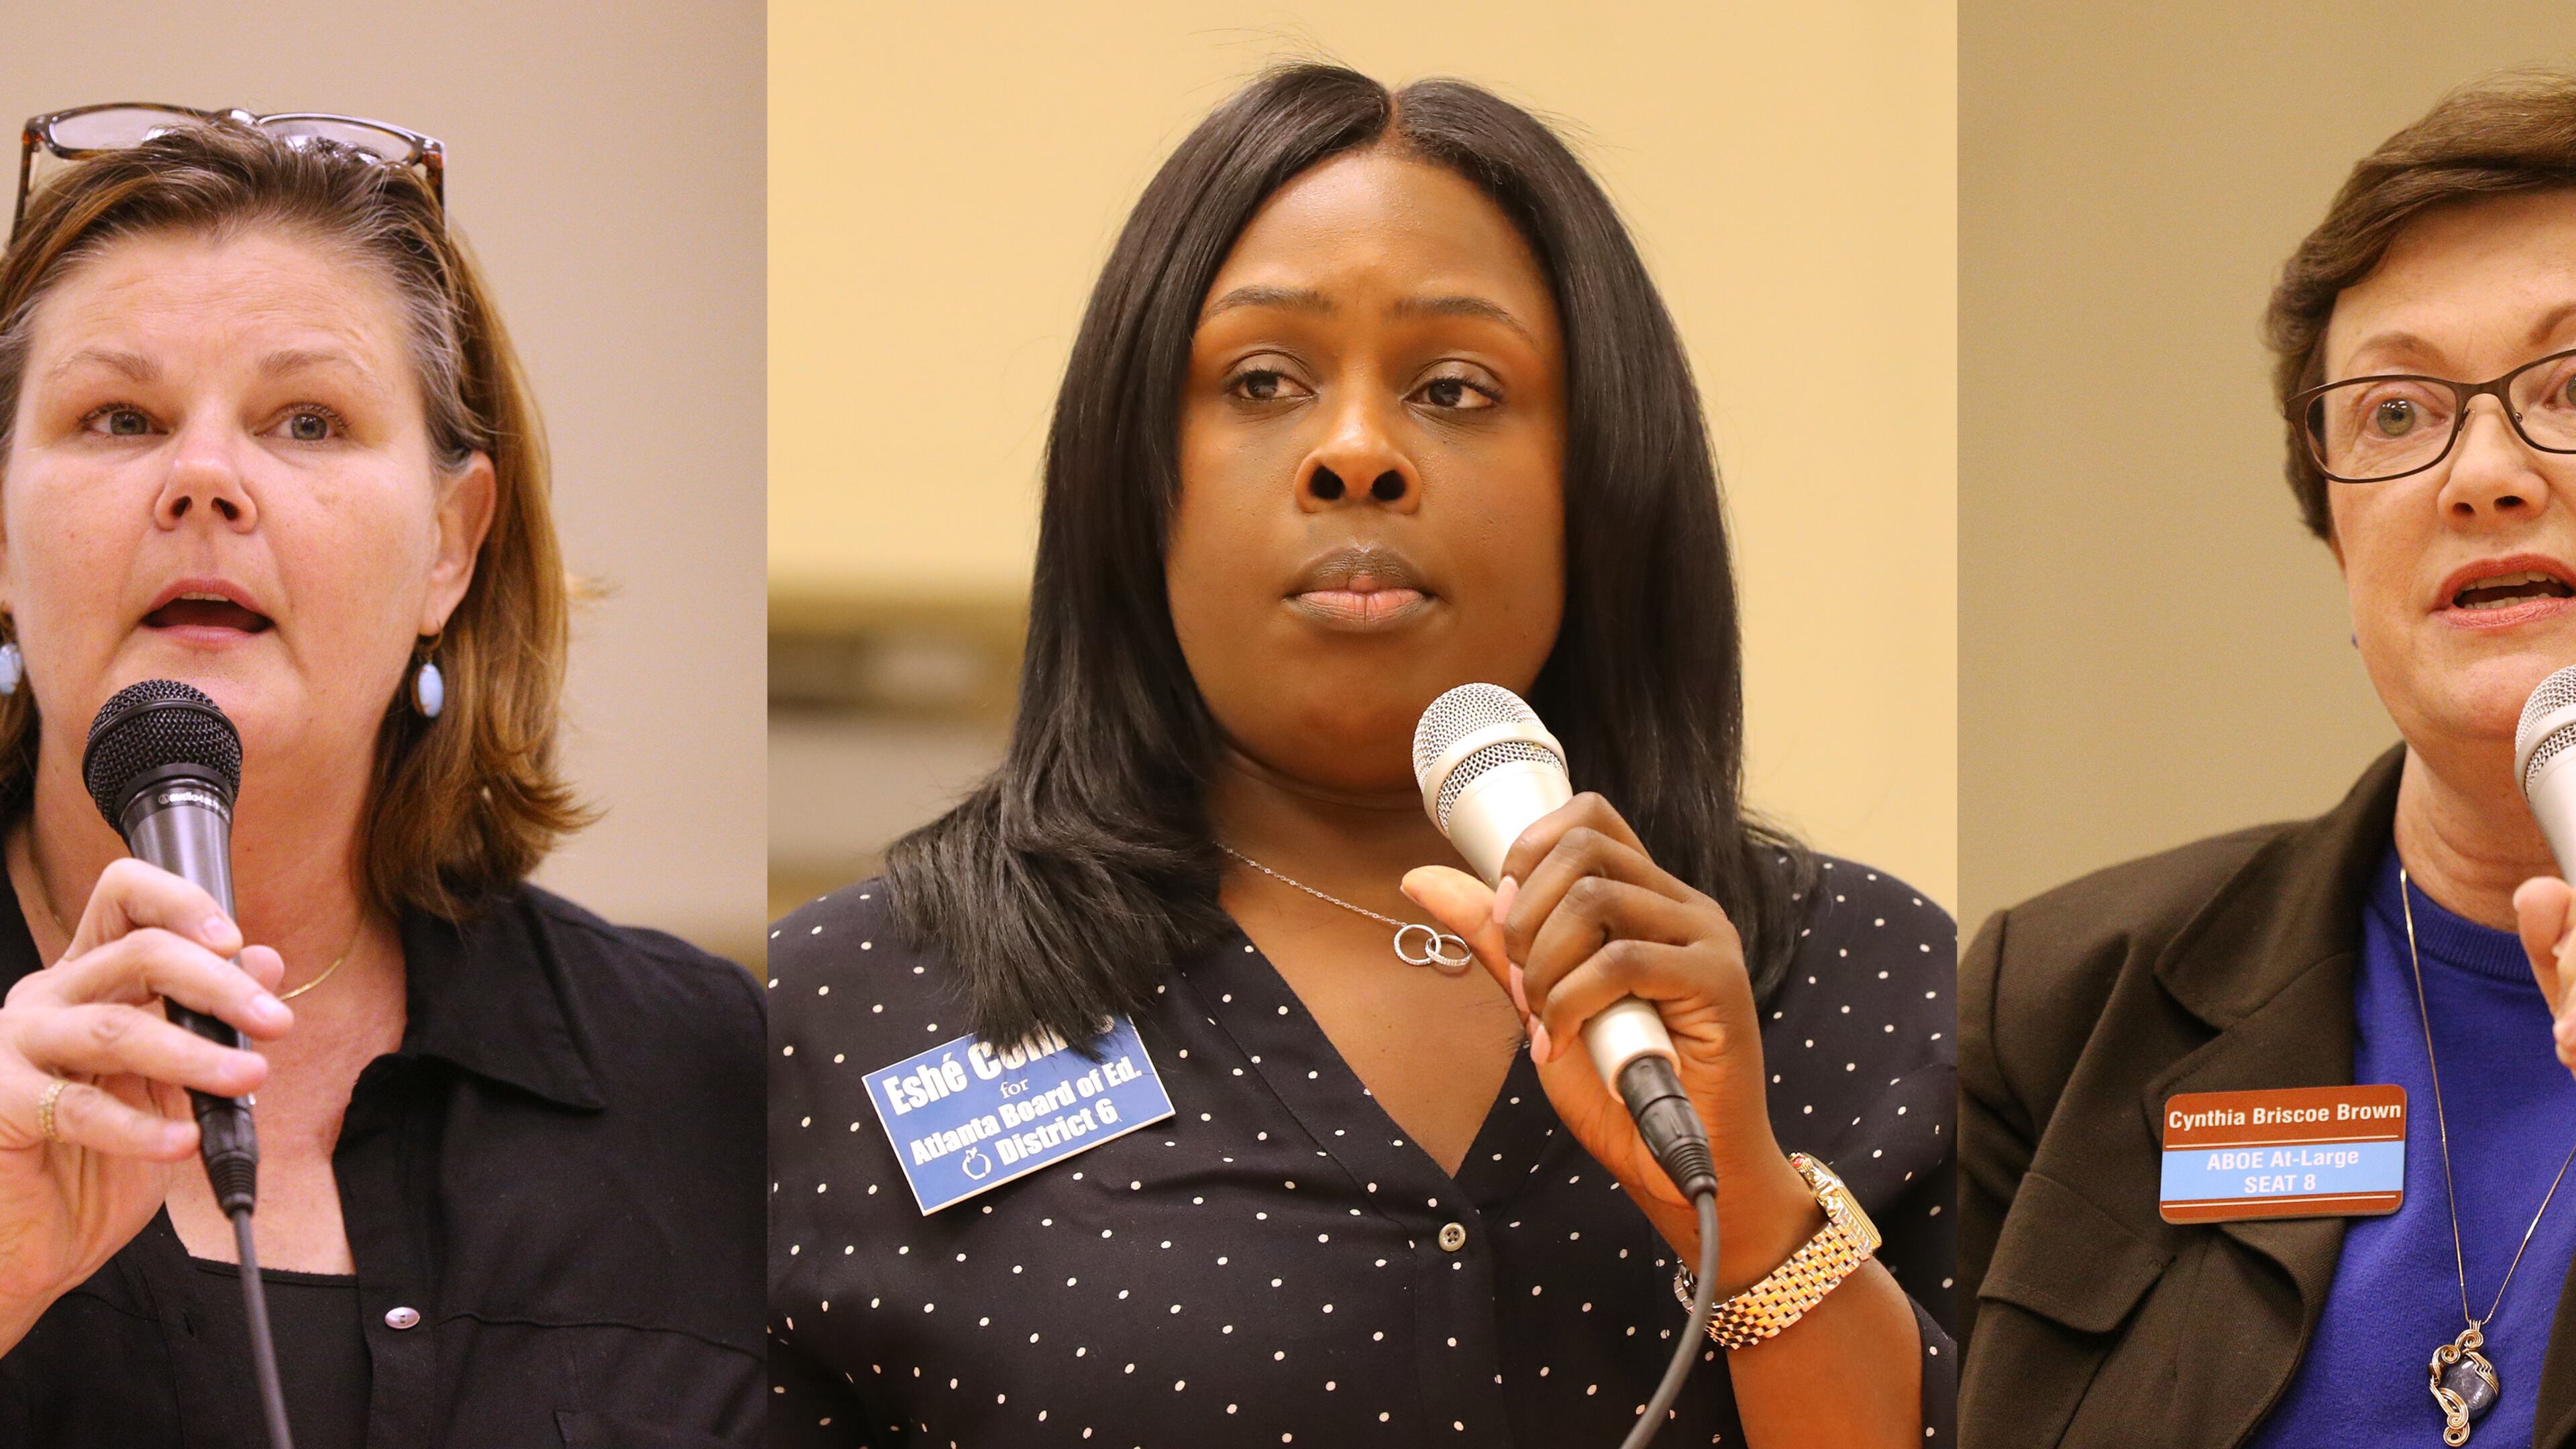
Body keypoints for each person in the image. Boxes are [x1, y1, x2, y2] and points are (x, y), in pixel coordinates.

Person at [767, 65, 1955, 1447]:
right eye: (1262, 380)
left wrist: (1749, 1207)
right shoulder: (844, 1015)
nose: (1355, 453)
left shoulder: (1884, 989)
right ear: (1135, 471)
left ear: (1601, 480)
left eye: (1456, 389)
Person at [0, 110, 762, 1446]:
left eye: (308, 420)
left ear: (450, 550)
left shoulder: (715, 1078)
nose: (204, 482)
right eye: (120, 417)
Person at [1962, 71, 2576, 1449]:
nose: (2484, 473)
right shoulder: (2059, 1009)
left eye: (2571, 385)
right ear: (2339, 540)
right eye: (2398, 415)